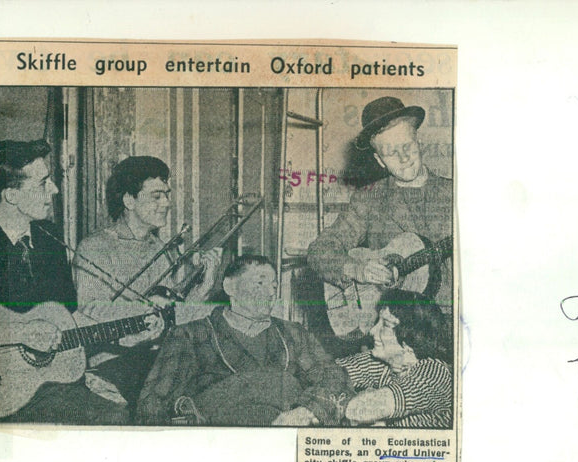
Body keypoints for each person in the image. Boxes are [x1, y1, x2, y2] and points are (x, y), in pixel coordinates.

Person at [0, 139, 129, 424]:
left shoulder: (49, 237)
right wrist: (20, 333)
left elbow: (68, 318)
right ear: (11, 195)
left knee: (121, 408)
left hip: (46, 381)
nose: (54, 190)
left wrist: (123, 333)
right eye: (43, 183)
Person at [72, 156, 222, 406]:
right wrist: (145, 312)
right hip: (112, 367)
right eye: (156, 196)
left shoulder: (162, 249)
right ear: (129, 200)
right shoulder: (94, 248)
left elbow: (176, 319)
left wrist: (204, 287)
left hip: (160, 360)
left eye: (167, 194)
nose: (166, 203)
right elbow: (89, 313)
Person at [137, 255, 353, 426]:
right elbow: (152, 404)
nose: (270, 293)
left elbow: (335, 377)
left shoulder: (293, 334)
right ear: (230, 287)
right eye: (259, 283)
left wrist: (306, 411)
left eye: (274, 286)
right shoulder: (191, 335)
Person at [307, 96, 453, 329]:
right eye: (391, 152)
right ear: (379, 160)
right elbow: (319, 250)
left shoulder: (457, 195)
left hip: (448, 323)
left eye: (407, 147)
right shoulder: (369, 199)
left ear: (419, 142)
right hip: (391, 328)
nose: (404, 158)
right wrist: (357, 269)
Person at [338, 289, 453, 428]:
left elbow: (359, 410)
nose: (372, 331)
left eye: (385, 325)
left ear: (410, 341)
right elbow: (326, 372)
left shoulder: (436, 373)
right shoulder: (382, 362)